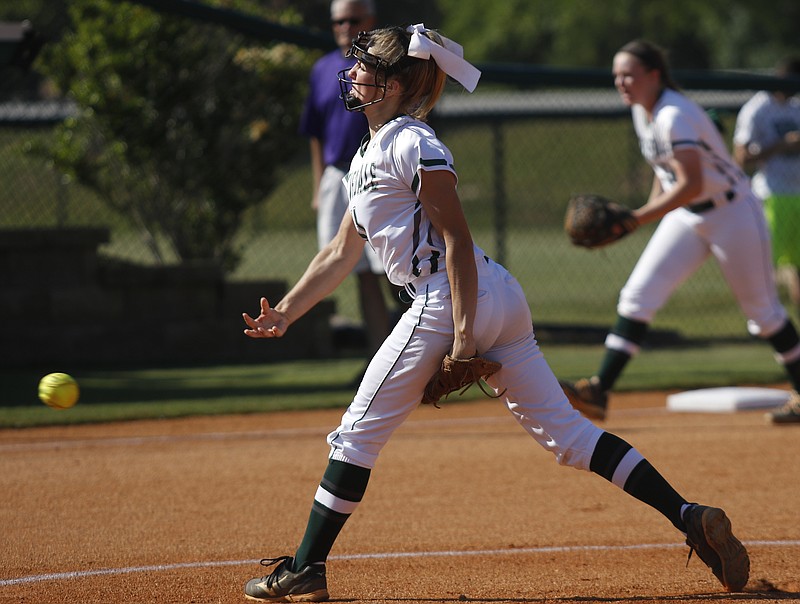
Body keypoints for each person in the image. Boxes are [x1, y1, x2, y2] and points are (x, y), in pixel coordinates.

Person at [240, 26, 750, 601]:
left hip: (448, 299)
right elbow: (339, 253)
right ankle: (688, 514)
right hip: (496, 296)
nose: (353, 72)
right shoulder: (372, 150)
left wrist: (461, 338)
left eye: (366, 66)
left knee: (355, 436)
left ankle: (307, 567)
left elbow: (456, 238)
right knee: (571, 438)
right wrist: (286, 311)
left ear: (398, 82)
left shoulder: (412, 141)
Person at [559, 40, 800, 426]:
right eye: (617, 76)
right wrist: (647, 215)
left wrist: (638, 218)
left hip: (733, 212)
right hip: (688, 215)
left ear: (654, 76)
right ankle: (599, 390)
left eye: (629, 75)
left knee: (763, 313)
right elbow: (665, 173)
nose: (621, 82)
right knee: (638, 296)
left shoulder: (674, 115)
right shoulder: (644, 111)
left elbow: (690, 182)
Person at [300, 0, 398, 359]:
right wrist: (317, 186)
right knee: (358, 272)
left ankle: (419, 355)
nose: (343, 27)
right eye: (337, 21)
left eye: (352, 20)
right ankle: (378, 357)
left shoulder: (386, 66)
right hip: (338, 176)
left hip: (379, 176)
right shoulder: (323, 68)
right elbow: (315, 133)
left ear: (370, 21)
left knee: (394, 270)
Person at [733, 58, 800, 321]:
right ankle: (765, 320)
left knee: (794, 266)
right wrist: (781, 146)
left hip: (798, 193)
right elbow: (741, 157)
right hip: (773, 194)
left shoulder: (796, 106)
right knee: (772, 265)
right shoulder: (758, 108)